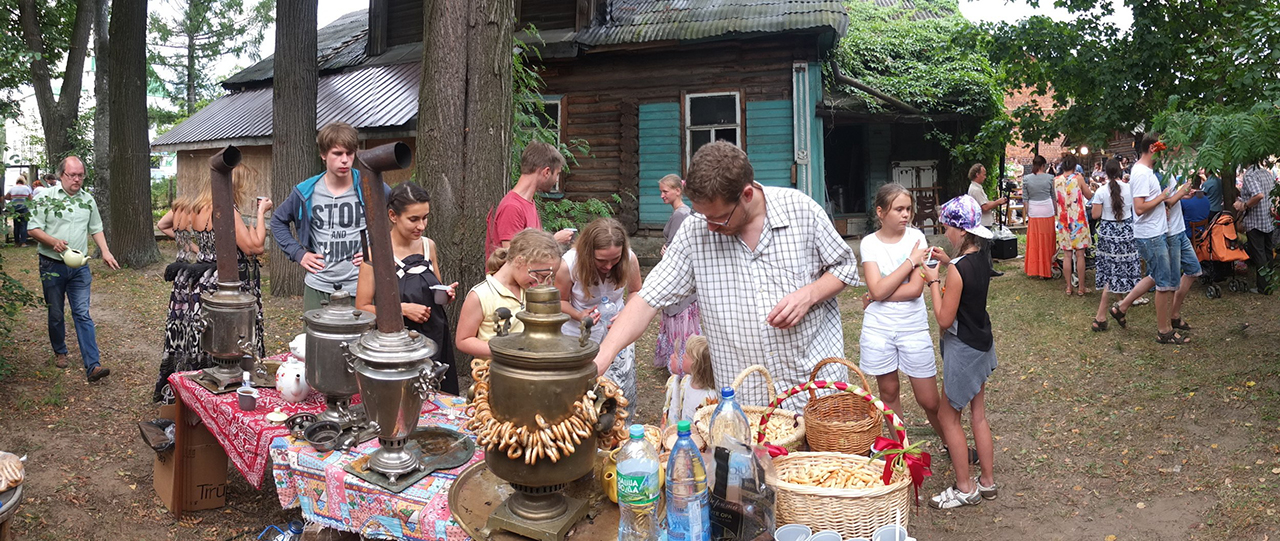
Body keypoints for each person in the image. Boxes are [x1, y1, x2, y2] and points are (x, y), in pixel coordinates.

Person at [588, 141, 860, 408]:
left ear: (747, 195)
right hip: (747, 398)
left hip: (813, 387)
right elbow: (647, 299)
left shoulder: (801, 211)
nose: (709, 227)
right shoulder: (695, 231)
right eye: (703, 215)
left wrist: (809, 294)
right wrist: (602, 358)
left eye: (718, 218)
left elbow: (844, 267)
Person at [152, 166, 272, 402]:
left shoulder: (198, 209)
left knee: (204, 335)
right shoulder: (226, 210)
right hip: (226, 282)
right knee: (229, 337)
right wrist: (261, 213)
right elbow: (254, 247)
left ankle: (194, 391)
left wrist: (195, 249)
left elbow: (167, 226)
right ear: (234, 185)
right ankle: (229, 391)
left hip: (202, 279)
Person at [919, 195, 998, 509]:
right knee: (978, 415)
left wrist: (933, 280)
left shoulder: (956, 270)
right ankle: (987, 482)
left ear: (962, 230)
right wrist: (948, 262)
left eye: (948, 227)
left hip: (963, 349)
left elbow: (943, 319)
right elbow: (965, 280)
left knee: (947, 416)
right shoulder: (980, 258)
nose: (946, 233)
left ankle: (965, 488)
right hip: (982, 344)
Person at [271, 122, 389, 312]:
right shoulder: (305, 191)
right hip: (319, 286)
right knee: (315, 333)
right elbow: (278, 221)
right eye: (337, 153)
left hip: (361, 288)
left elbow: (401, 214)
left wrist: (377, 249)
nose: (345, 160)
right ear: (323, 154)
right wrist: (298, 253)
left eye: (349, 153)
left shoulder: (370, 185)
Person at [355, 183, 460, 395]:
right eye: (413, 219)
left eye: (425, 218)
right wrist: (402, 309)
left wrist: (445, 294)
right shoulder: (376, 253)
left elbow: (434, 288)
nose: (421, 226)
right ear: (393, 216)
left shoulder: (429, 246)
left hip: (435, 338)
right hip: (397, 347)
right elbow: (362, 307)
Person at [858, 183, 942, 438]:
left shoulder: (917, 239)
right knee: (889, 393)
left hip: (912, 327)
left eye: (908, 209)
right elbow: (876, 288)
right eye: (899, 209)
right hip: (879, 329)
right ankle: (900, 450)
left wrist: (877, 294)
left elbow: (915, 289)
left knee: (929, 399)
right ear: (881, 212)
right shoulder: (869, 243)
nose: (906, 214)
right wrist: (910, 261)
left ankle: (951, 442)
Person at [27, 156, 119, 382]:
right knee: (56, 313)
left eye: (80, 175)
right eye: (72, 175)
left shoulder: (87, 200)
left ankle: (93, 365)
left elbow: (96, 228)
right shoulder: (45, 197)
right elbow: (33, 228)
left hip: (79, 267)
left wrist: (105, 251)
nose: (77, 179)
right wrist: (52, 241)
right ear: (61, 175)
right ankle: (60, 351)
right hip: (51, 264)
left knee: (82, 313)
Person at [1108, 134, 1189, 344]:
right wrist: (1162, 197)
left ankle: (1121, 308)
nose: (1164, 155)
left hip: (1156, 233)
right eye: (1162, 150)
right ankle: (1164, 331)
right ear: (1153, 148)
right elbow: (1139, 208)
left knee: (1158, 277)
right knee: (1163, 284)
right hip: (1150, 236)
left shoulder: (1148, 171)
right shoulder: (1142, 173)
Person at [555, 217, 642, 413]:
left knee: (619, 389)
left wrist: (626, 313)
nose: (609, 266)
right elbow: (559, 301)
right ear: (588, 252)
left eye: (615, 259)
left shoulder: (629, 258)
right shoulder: (569, 264)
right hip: (580, 337)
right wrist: (578, 314)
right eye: (601, 260)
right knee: (582, 391)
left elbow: (636, 291)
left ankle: (620, 423)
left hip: (616, 332)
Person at [456, 229, 562, 360]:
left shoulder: (531, 290)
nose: (543, 282)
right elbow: (463, 340)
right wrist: (507, 351)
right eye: (540, 275)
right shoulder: (481, 295)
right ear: (519, 261)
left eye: (550, 277)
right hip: (496, 369)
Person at [484, 141, 575, 259]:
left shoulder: (529, 203)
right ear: (546, 172)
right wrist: (554, 241)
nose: (556, 180)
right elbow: (513, 259)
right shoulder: (512, 207)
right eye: (557, 174)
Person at [654, 174, 702, 372]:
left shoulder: (680, 215)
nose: (662, 196)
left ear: (677, 191)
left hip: (678, 276)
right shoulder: (682, 212)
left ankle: (682, 363)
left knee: (680, 318)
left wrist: (667, 251)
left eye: (665, 191)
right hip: (682, 273)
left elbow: (677, 249)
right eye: (661, 192)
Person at [1089, 159, 1141, 332]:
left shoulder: (1101, 191)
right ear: (1120, 171)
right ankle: (1117, 308)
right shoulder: (1130, 188)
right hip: (1126, 231)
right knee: (1122, 270)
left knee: (1111, 274)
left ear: (1106, 172)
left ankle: (1101, 316)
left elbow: (1095, 215)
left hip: (1108, 233)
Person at [1055, 154, 1094, 295]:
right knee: (1080, 255)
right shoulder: (1078, 178)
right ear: (1074, 166)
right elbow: (1089, 195)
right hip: (1078, 219)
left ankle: (1068, 287)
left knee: (1066, 255)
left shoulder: (1056, 180)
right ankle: (1081, 287)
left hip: (1064, 221)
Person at [1236, 162, 1277, 294]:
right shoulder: (1266, 172)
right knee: (1268, 252)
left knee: (1259, 254)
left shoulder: (1250, 175)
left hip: (1255, 221)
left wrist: (1244, 205)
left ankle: (1263, 287)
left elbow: (1258, 195)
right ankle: (1269, 284)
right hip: (1268, 219)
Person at [661, 335, 718, 427]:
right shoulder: (683, 382)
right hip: (675, 432)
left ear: (697, 366)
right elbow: (669, 408)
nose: (683, 356)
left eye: (686, 356)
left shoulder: (710, 398)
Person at [966, 164, 1008, 277]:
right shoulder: (975, 190)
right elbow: (984, 207)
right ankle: (984, 271)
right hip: (982, 223)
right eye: (983, 174)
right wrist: (998, 202)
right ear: (977, 174)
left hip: (983, 222)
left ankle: (989, 269)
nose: (985, 177)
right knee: (983, 248)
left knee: (987, 247)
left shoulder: (977, 188)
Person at [1022, 155, 1056, 279]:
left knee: (1035, 241)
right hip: (1047, 210)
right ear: (1043, 165)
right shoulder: (1050, 178)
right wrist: (1056, 211)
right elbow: (1053, 197)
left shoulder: (1026, 179)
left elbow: (1025, 199)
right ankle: (1047, 267)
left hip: (1034, 210)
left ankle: (1035, 268)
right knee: (1047, 239)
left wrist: (1028, 213)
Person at [5, 177, 33, 247]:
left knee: (16, 225)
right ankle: (23, 242)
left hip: (15, 208)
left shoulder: (12, 188)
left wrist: (13, 198)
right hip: (24, 208)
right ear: (24, 181)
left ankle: (16, 242)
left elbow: (6, 197)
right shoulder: (26, 188)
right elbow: (30, 198)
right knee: (23, 225)